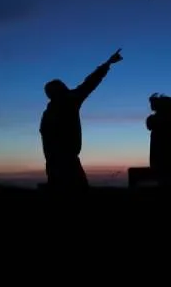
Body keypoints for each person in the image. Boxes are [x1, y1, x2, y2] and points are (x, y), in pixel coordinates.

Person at [40, 49, 123, 191]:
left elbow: (89, 83)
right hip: (65, 161)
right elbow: (89, 84)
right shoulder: (67, 103)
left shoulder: (49, 112)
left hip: (55, 162)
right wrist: (107, 64)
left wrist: (107, 64)